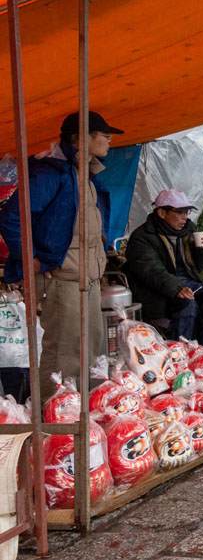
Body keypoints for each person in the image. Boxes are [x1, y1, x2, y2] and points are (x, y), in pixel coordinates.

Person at [0, 111, 120, 400]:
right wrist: (29, 259)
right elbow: (11, 217)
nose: (109, 139)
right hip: (63, 278)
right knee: (64, 353)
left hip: (87, 278)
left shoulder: (85, 174)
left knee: (89, 349)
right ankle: (55, 420)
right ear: (81, 137)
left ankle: (83, 417)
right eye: (103, 134)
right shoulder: (50, 172)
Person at [125, 190, 203, 347]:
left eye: (186, 212)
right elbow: (151, 271)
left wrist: (202, 249)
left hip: (188, 284)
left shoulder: (189, 231)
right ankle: (180, 354)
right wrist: (177, 288)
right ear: (162, 212)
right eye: (179, 212)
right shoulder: (142, 237)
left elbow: (202, 267)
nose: (185, 217)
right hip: (157, 291)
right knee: (186, 304)